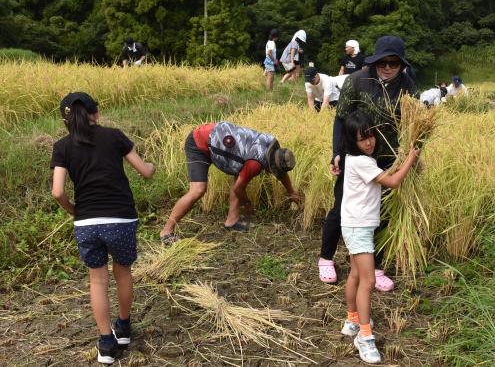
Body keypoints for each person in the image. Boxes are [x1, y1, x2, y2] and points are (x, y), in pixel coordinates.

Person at [50, 92, 156, 365]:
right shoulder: (114, 136)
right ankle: (123, 328)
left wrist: (74, 210)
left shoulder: (62, 146)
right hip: (121, 218)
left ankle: (106, 344)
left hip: (87, 222)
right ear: (96, 113)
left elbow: (57, 191)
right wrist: (152, 167)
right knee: (123, 273)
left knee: (97, 280)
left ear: (66, 120)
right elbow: (144, 171)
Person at [318, 35, 417, 292]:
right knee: (342, 207)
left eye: (393, 63)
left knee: (381, 213)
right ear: (374, 60)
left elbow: (416, 122)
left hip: (388, 158)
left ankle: (376, 266)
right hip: (357, 157)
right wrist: (336, 152)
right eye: (383, 62)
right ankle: (326, 258)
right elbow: (340, 120)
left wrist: (411, 155)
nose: (387, 67)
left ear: (401, 65)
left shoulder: (407, 86)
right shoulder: (357, 81)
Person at [338, 111, 420, 364]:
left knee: (355, 275)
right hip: (359, 227)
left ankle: (352, 320)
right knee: (368, 281)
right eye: (362, 139)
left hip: (353, 225)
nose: (369, 142)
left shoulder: (356, 160)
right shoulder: (362, 162)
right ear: (353, 141)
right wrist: (411, 158)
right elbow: (394, 181)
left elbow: (385, 174)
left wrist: (403, 159)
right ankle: (364, 336)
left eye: (371, 135)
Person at [159, 122, 299, 242]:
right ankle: (166, 231)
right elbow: (239, 188)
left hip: (217, 139)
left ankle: (231, 221)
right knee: (198, 190)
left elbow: (281, 174)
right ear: (271, 166)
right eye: (274, 170)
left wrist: (291, 191)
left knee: (239, 173)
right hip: (199, 143)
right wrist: (247, 203)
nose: (273, 173)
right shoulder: (255, 163)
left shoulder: (273, 146)